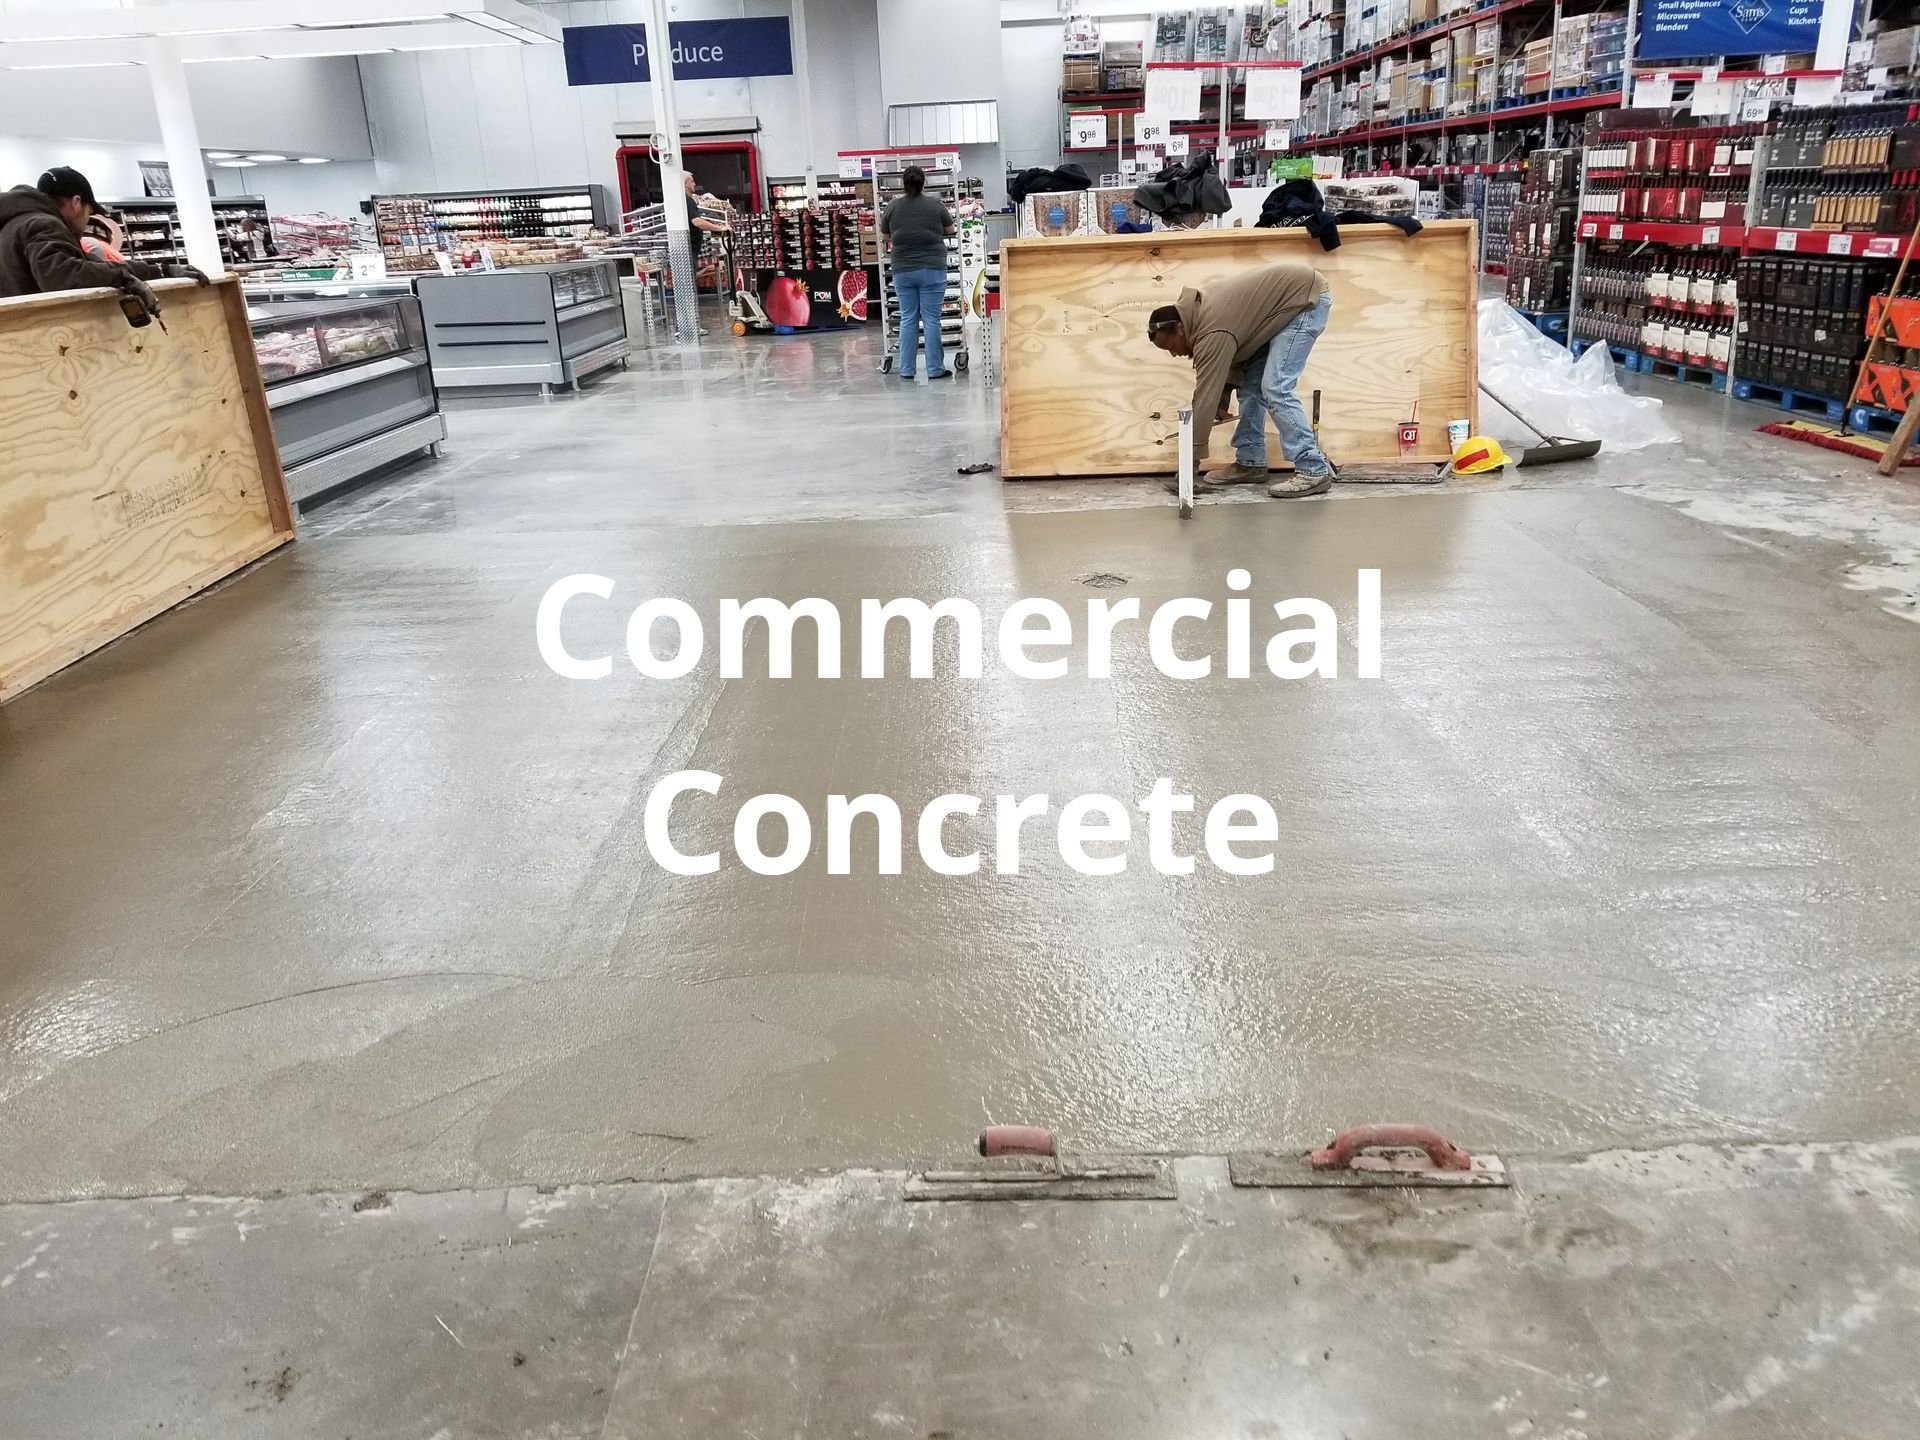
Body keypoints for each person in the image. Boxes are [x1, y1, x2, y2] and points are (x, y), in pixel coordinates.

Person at [1146, 261, 1334, 498]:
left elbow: (1204, 396)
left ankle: (1312, 468)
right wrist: (1222, 399)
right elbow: (1234, 358)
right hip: (1280, 309)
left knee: (1276, 387)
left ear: (1180, 330)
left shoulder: (1210, 329)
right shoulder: (1200, 316)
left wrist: (1189, 466)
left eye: (1172, 346)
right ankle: (1251, 462)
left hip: (1303, 300)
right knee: (1252, 388)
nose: (1174, 353)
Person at [0, 166, 203, 302]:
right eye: (89, 212)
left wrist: (161, 270)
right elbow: (61, 275)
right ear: (76, 202)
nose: (87, 220)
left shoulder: (14, 225)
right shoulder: (42, 224)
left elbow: (89, 264)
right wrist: (120, 278)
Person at [880, 165, 955, 380]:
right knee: (931, 319)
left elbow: (885, 236)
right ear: (924, 183)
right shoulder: (935, 205)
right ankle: (934, 369)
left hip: (903, 269)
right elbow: (950, 230)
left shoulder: (893, 207)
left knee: (908, 318)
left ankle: (906, 369)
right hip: (932, 268)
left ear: (904, 184)